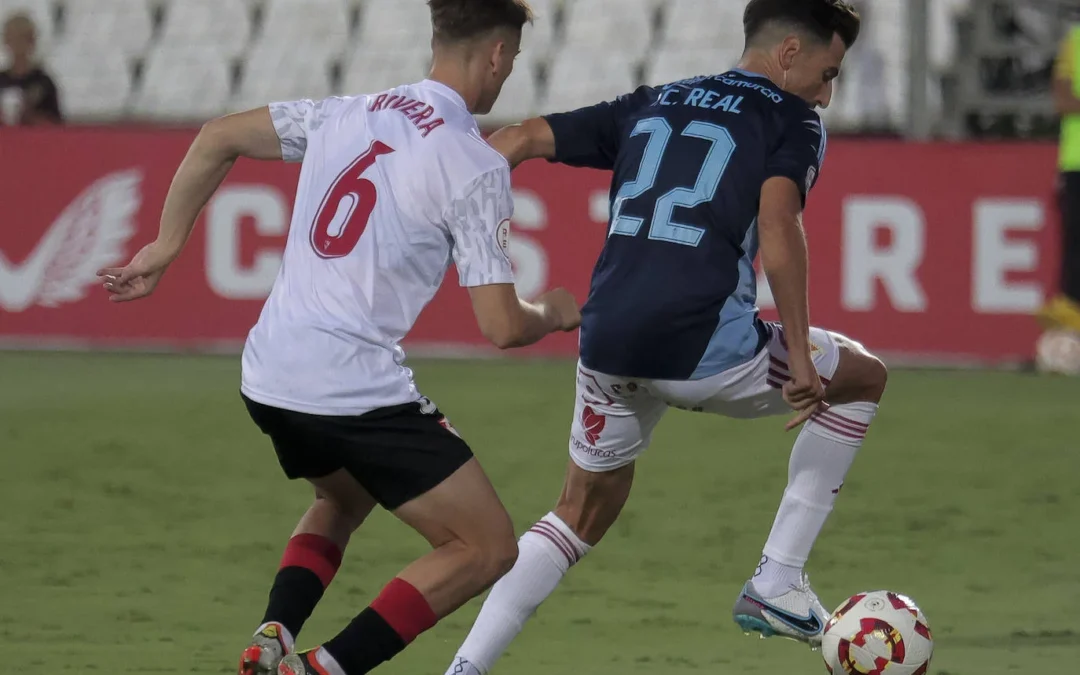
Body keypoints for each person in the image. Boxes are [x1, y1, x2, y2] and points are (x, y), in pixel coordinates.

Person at [98, 2, 580, 675]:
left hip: (268, 371)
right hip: (347, 384)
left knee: (342, 495)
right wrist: (552, 311)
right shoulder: (473, 162)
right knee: (488, 546)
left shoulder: (347, 110)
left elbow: (217, 136)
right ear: (498, 55)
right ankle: (322, 667)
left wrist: (165, 245)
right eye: (514, 61)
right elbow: (501, 326)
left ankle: (274, 633)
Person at [443, 2, 881, 673]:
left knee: (578, 512)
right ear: (791, 52)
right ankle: (778, 580)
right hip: (702, 343)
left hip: (607, 341)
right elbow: (778, 223)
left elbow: (521, 137)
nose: (826, 93)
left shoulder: (656, 100)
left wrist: (448, 208)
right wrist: (800, 358)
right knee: (862, 376)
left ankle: (464, 667)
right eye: (828, 73)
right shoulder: (790, 118)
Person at [1039, 21, 1080, 334]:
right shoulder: (1075, 40)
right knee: (1074, 251)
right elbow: (1063, 100)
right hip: (1076, 164)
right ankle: (1070, 334)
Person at [0, 12, 61, 126]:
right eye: (12, 38)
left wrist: (29, 116)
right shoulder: (1, 80)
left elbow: (56, 127)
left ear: (32, 42)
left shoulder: (43, 83)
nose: (17, 45)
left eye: (22, 38)